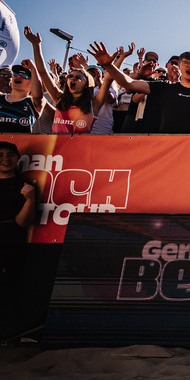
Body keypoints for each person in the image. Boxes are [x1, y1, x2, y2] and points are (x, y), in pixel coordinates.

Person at [93, 45, 190, 134]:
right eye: (186, 63)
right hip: (167, 145)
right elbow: (129, 84)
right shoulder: (165, 87)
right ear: (180, 66)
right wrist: (108, 66)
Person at [24, 27, 116, 135]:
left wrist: (108, 65)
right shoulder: (59, 98)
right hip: (56, 150)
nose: (73, 79)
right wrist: (36, 45)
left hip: (81, 150)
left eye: (79, 78)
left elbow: (109, 79)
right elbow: (43, 72)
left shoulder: (94, 103)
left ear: (87, 84)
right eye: (70, 76)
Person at [0, 141, 36, 287]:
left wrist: (30, 199)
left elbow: (22, 222)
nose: (6, 159)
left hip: (9, 243)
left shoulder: (25, 187)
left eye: (10, 155)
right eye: (0, 155)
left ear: (18, 158)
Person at [0, 62, 42, 133]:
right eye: (15, 73)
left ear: (33, 82)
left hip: (21, 144)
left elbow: (38, 95)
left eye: (25, 75)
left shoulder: (32, 103)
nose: (18, 76)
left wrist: (33, 67)